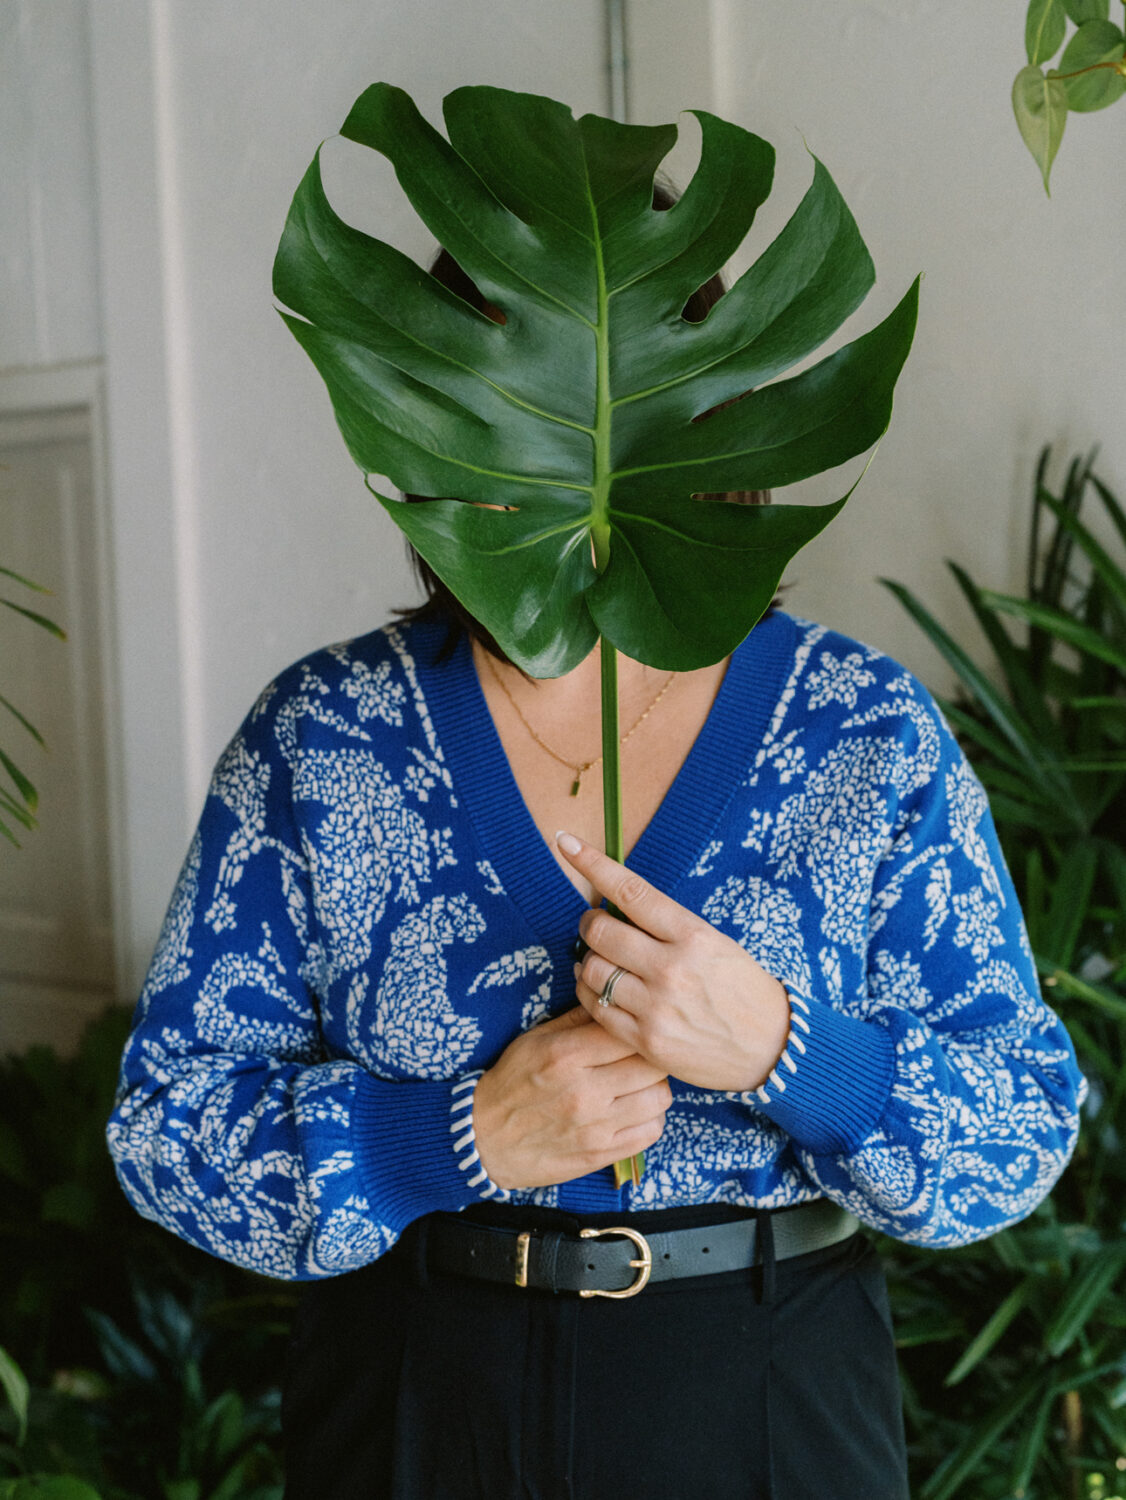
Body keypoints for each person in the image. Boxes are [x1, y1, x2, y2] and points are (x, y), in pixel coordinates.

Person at [106, 240, 1085, 1499]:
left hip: (767, 1390)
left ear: (721, 423)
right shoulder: (325, 734)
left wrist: (789, 1050)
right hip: (416, 1379)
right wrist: (443, 1141)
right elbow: (167, 1127)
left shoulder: (865, 730)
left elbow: (1016, 1125)